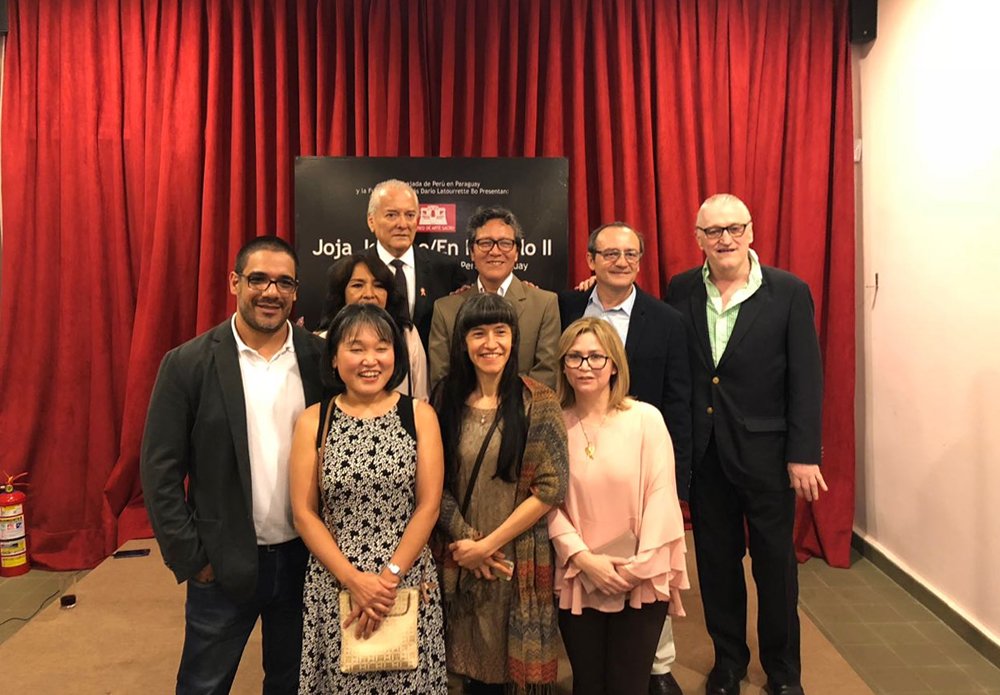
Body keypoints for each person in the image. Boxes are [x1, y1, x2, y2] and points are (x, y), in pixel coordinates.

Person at [141, 235, 323, 694]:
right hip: (221, 564)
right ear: (234, 282)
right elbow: (159, 471)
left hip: (305, 561)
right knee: (203, 685)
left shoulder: (321, 360)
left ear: (296, 291)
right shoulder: (187, 364)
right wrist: (192, 559)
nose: (271, 292)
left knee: (293, 683)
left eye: (284, 282)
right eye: (258, 279)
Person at [666, 194, 826, 695]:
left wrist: (804, 454)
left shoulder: (789, 292)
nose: (725, 239)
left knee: (776, 570)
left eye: (735, 228)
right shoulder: (681, 289)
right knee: (717, 566)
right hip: (707, 455)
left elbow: (806, 378)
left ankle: (784, 672)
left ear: (751, 231)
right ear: (699, 238)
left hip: (768, 457)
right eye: (713, 231)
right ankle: (729, 663)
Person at [558, 223, 692, 694]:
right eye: (575, 358)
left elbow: (678, 408)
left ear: (614, 362)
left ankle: (661, 669)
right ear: (590, 260)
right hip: (578, 566)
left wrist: (635, 567)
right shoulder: (565, 307)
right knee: (588, 679)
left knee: (630, 677)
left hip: (640, 556)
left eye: (630, 253)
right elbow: (547, 497)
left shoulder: (666, 326)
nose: (586, 365)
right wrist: (584, 559)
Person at [289, 303, 448, 692]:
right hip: (336, 582)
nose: (370, 360)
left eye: (381, 347)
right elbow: (304, 513)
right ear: (334, 357)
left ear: (396, 354)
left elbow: (428, 506)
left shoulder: (419, 415)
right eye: (355, 348)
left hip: (406, 580)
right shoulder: (314, 420)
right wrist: (354, 580)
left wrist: (387, 579)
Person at [434, 292, 569, 694]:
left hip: (515, 560)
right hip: (459, 556)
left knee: (513, 675)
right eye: (478, 333)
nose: (490, 343)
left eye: (500, 331)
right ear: (463, 342)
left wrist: (487, 546)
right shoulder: (444, 398)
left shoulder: (538, 402)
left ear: (514, 338)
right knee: (466, 669)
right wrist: (468, 542)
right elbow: (433, 481)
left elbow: (552, 487)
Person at [429, 206, 561, 389]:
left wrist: (505, 404)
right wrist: (478, 404)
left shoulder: (544, 304)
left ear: (517, 252)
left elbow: (546, 374)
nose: (495, 251)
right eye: (485, 243)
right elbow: (441, 379)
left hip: (525, 407)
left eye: (505, 243)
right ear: (472, 252)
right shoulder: (446, 309)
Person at [364, 179, 469, 348]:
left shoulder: (447, 269)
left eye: (410, 215)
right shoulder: (350, 270)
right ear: (371, 221)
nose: (402, 224)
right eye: (391, 215)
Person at [318, 252, 429, 399]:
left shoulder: (406, 333)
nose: (369, 294)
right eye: (358, 285)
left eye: (378, 286)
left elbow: (421, 395)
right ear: (341, 292)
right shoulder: (324, 339)